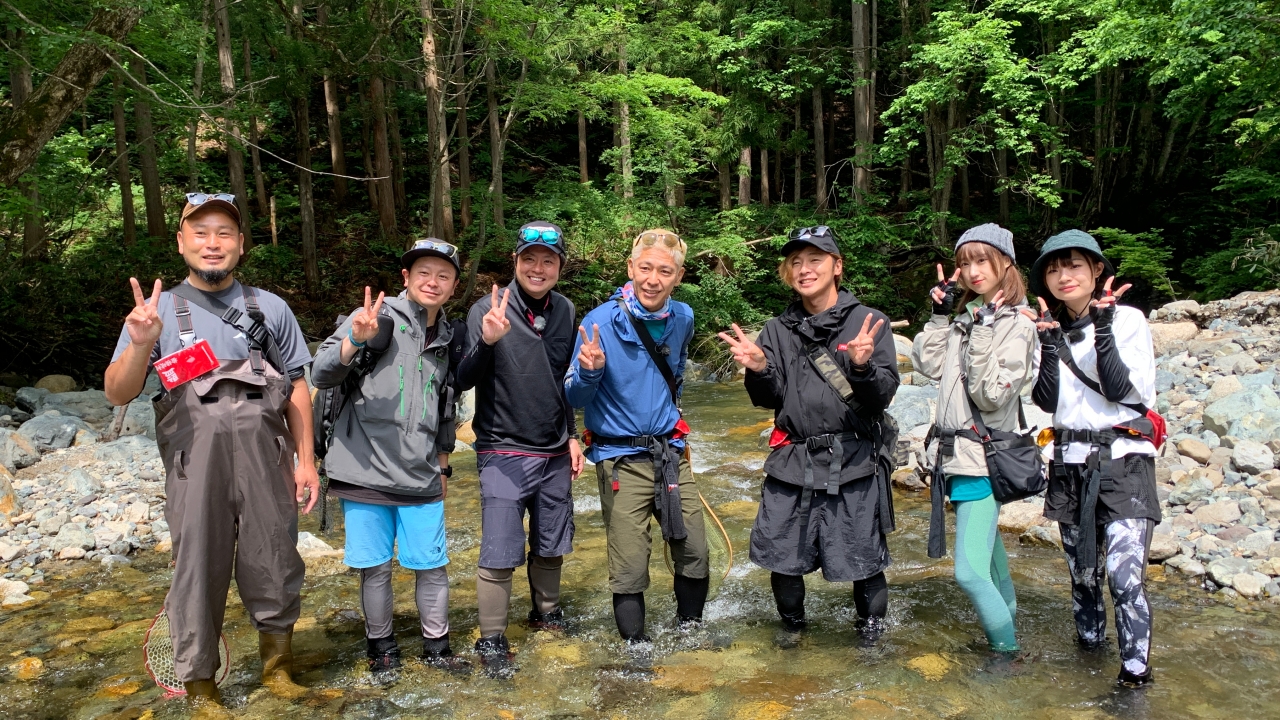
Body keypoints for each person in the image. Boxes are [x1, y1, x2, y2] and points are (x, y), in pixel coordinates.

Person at [103, 193, 318, 705]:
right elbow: (117, 392)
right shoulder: (156, 314)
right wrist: (139, 343)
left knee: (275, 558)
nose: (212, 243)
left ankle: (278, 672)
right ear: (181, 243)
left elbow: (298, 389)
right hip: (192, 466)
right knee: (197, 568)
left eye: (224, 232)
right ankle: (200, 691)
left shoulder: (270, 309)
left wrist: (306, 461)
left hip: (268, 460)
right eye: (200, 232)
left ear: (241, 244)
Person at [719, 225, 899, 646]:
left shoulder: (869, 322)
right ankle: (793, 637)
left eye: (814, 260)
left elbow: (883, 396)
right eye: (795, 262)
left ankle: (871, 645)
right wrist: (760, 367)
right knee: (783, 557)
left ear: (836, 267)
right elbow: (769, 400)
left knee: (864, 559)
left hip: (853, 461)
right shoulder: (778, 330)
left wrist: (861, 367)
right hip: (793, 461)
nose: (804, 269)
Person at [311, 239, 465, 675]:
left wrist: (443, 464)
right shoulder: (376, 320)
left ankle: (437, 649)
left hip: (420, 474)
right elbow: (321, 372)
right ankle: (381, 649)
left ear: (454, 286)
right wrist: (353, 341)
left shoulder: (448, 336)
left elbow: (444, 407)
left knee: (432, 566)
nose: (432, 282)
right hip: (364, 470)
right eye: (423, 273)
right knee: (374, 569)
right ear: (406, 278)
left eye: (443, 275)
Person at [1023, 229, 1160, 687]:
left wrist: (1101, 328)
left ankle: (1135, 676)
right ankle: (1087, 662)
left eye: (1075, 265)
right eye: (1054, 268)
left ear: (1097, 269)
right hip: (1069, 462)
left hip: (1123, 461)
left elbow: (1124, 390)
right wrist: (1046, 345)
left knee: (1125, 579)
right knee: (1083, 576)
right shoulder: (1051, 327)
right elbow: (1046, 402)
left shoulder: (1128, 320)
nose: (1064, 276)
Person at [564, 229, 709, 646]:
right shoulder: (598, 323)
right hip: (620, 459)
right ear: (630, 268)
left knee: (695, 551)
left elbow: (676, 372)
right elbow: (574, 394)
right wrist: (589, 371)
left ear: (677, 277)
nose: (653, 279)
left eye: (665, 271)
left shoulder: (682, 317)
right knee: (629, 563)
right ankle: (636, 652)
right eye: (645, 268)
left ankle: (691, 636)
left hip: (671, 454)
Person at [454, 221, 584, 675]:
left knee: (551, 543)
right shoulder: (485, 309)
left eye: (548, 260)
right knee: (500, 549)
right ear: (515, 262)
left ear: (560, 267)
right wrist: (488, 340)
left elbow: (563, 381)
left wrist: (571, 434)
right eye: (529, 259)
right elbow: (462, 378)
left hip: (553, 451)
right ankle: (491, 638)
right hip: (503, 449)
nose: (538, 267)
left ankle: (545, 613)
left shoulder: (566, 311)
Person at [911, 223, 1037, 655]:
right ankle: (1011, 626)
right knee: (990, 557)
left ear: (1006, 263)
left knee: (968, 572)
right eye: (965, 262)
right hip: (954, 455)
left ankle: (1006, 654)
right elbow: (926, 365)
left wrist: (982, 330)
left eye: (982, 260)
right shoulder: (967, 319)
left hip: (982, 458)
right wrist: (942, 316)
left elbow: (990, 393)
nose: (972, 270)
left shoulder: (1017, 325)